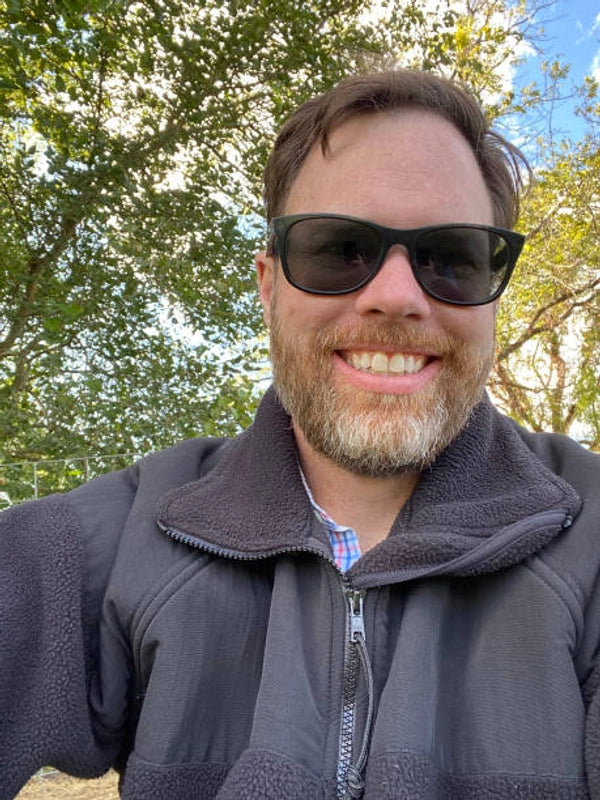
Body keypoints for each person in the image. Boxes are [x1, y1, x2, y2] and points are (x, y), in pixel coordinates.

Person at [1, 70, 599, 800]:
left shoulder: (591, 536)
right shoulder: (116, 539)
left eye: (452, 258)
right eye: (338, 248)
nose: (395, 297)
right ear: (268, 285)